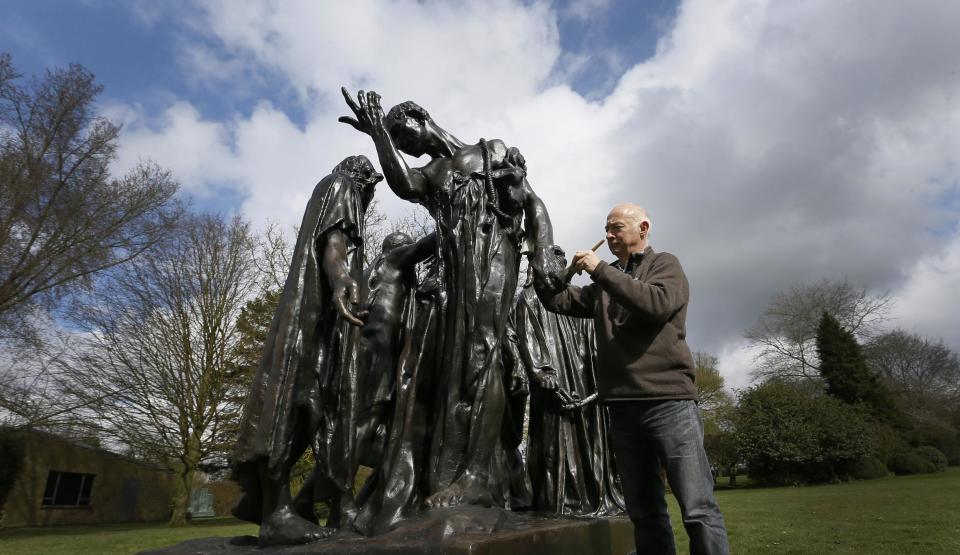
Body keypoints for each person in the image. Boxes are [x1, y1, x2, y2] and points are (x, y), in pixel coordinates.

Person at [340, 88, 563, 509]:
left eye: (402, 135)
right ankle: (464, 469)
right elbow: (403, 184)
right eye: (397, 142)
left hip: (494, 256)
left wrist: (544, 252)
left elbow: (533, 202)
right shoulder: (431, 174)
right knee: (457, 364)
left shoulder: (490, 149)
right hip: (455, 272)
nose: (404, 146)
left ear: (421, 117)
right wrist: (377, 136)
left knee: (482, 352)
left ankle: (477, 475)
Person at [534, 204, 729, 554]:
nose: (609, 235)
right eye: (606, 229)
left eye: (617, 228)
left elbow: (655, 304)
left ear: (643, 227)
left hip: (669, 402)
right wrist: (542, 271)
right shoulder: (605, 285)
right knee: (644, 513)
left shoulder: (665, 265)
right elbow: (559, 301)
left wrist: (600, 270)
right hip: (622, 408)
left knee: (698, 509)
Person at [231, 155, 380, 546]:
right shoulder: (342, 185)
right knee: (296, 403)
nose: (370, 199)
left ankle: (267, 502)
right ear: (365, 180)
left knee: (310, 406)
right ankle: (276, 514)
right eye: (373, 190)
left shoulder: (326, 190)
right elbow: (333, 243)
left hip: (316, 316)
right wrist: (343, 277)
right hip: (313, 320)